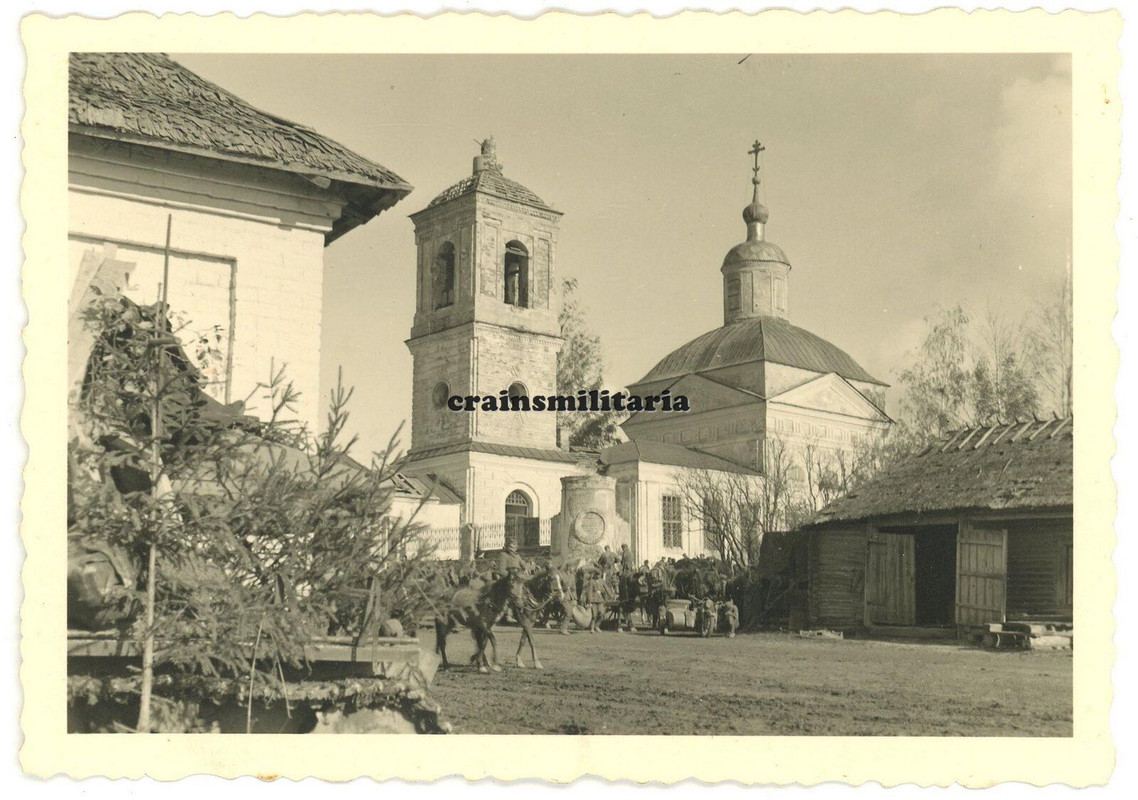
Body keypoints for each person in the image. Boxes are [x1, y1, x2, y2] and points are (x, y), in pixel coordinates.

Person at [584, 568, 606, 633]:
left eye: (599, 575)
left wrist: (611, 595)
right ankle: (592, 628)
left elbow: (606, 588)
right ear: (595, 575)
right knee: (594, 614)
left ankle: (597, 626)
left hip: (600, 599)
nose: (598, 576)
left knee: (601, 613)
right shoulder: (591, 581)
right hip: (593, 599)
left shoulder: (602, 581)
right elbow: (590, 591)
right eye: (597, 575)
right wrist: (589, 601)